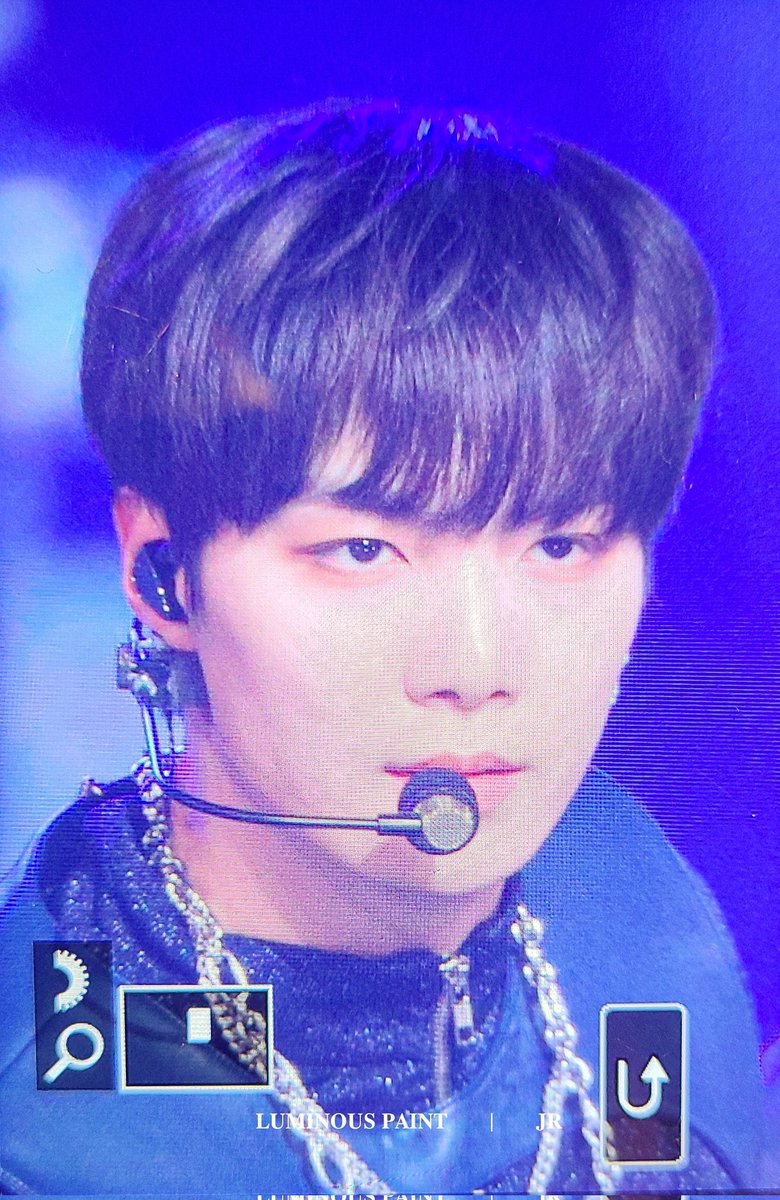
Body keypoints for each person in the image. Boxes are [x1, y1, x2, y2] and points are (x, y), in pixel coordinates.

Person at [0, 101, 768, 1195]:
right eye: (363, 550)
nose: (475, 667)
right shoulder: (54, 1097)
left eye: (559, 544)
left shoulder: (633, 898)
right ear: (164, 573)